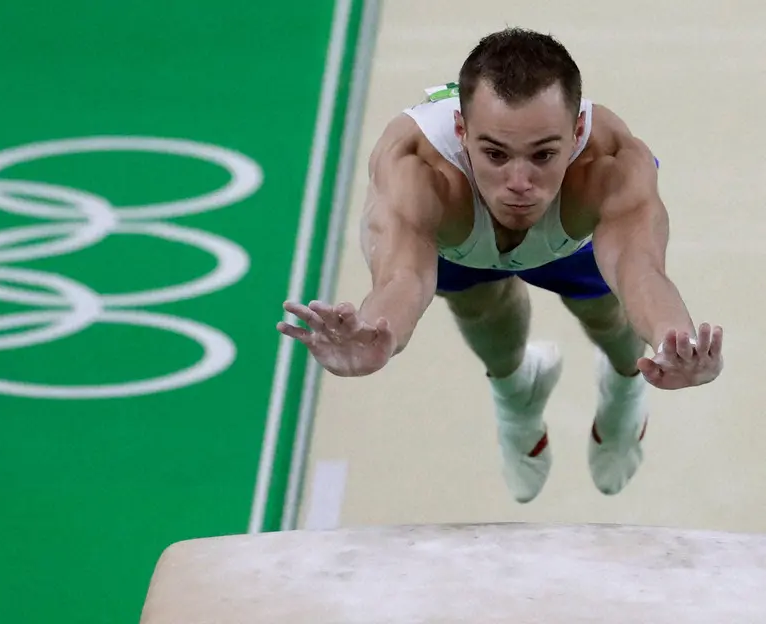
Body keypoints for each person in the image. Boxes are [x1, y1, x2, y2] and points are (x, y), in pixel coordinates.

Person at [276, 27, 724, 503]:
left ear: (575, 135)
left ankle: (625, 388)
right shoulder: (418, 172)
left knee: (609, 312)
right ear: (462, 130)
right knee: (484, 312)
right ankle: (516, 398)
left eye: (543, 155)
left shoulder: (607, 165)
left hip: (566, 234)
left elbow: (640, 272)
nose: (519, 183)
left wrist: (678, 340)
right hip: (459, 234)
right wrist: (376, 332)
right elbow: (402, 277)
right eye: (494, 154)